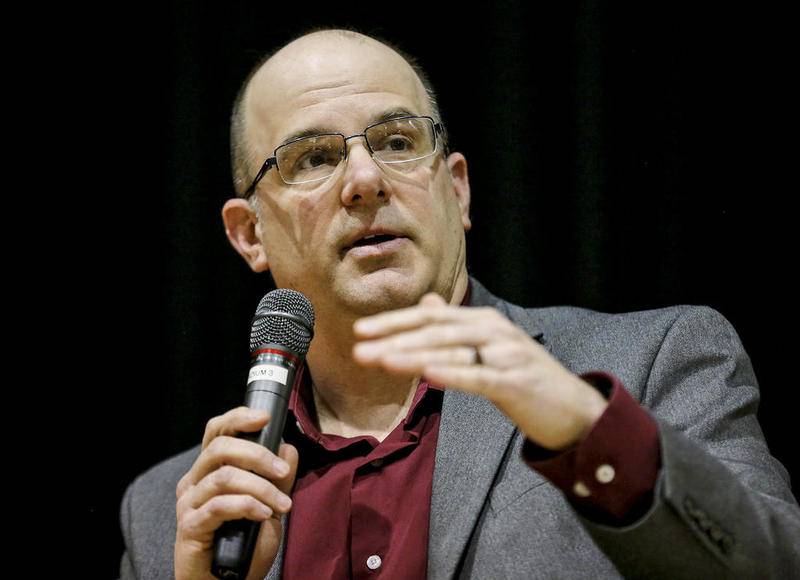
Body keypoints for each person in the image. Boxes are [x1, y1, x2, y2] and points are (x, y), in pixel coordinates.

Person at [119, 27, 800, 579]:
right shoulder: (173, 516)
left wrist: (587, 435)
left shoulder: (647, 369)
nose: (364, 179)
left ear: (458, 190)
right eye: (313, 157)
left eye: (395, 142)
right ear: (248, 234)